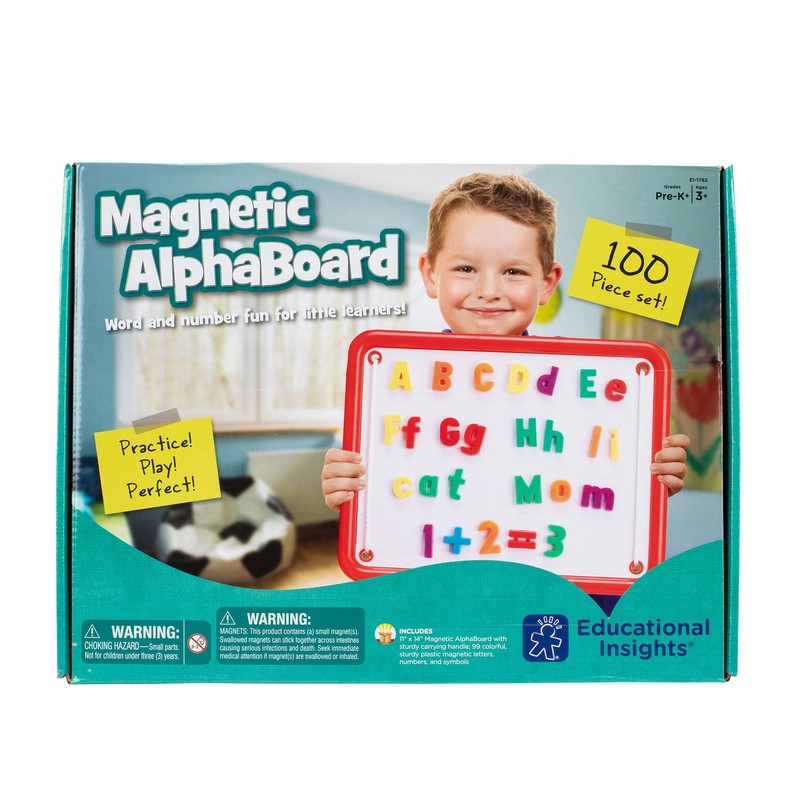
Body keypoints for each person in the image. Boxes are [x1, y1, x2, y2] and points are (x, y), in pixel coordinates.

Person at [321, 172, 689, 511]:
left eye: (513, 271)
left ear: (546, 283)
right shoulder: (395, 381)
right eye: (466, 269)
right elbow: (392, 489)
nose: (488, 291)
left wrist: (644, 477)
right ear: (431, 275)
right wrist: (351, 491)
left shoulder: (578, 386)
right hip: (436, 555)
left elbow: (593, 475)